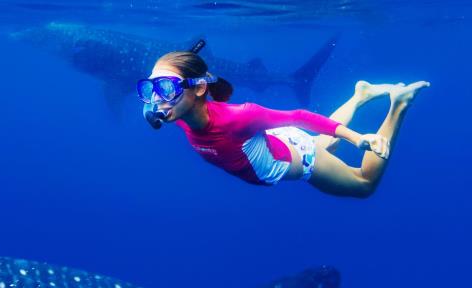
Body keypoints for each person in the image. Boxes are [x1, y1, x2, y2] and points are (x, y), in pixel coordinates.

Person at [142, 48, 428, 198]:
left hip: (300, 158)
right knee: (320, 143)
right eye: (151, 90)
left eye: (166, 89)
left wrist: (357, 139)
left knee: (363, 184)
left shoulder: (238, 116)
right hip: (281, 143)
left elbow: (300, 117)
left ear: (200, 89)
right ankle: (360, 95)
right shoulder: (176, 114)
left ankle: (399, 103)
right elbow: (156, 109)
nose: (157, 100)